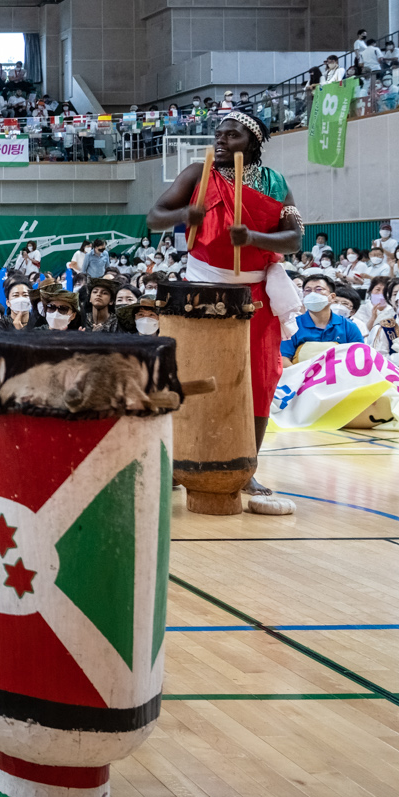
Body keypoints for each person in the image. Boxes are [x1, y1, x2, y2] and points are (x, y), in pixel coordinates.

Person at [148, 109, 303, 515]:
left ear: (251, 143)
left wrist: (253, 236)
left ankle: (245, 466)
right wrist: (186, 214)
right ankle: (177, 461)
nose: (221, 141)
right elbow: (153, 217)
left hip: (255, 292)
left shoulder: (275, 183)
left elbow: (294, 239)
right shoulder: (196, 174)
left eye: (232, 136)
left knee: (260, 379)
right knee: (192, 374)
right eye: (218, 134)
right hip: (202, 287)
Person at [282, 273, 366, 360]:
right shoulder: (293, 326)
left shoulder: (348, 326)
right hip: (301, 373)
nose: (312, 294)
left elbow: (360, 357)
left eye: (319, 289)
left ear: (332, 297)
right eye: (308, 290)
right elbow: (284, 359)